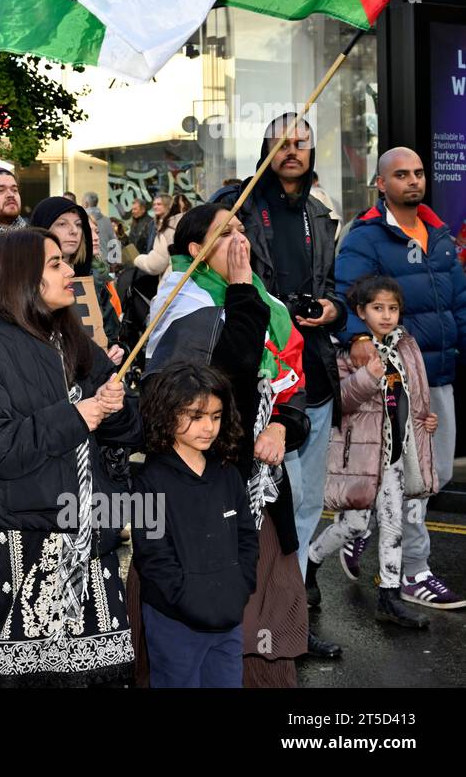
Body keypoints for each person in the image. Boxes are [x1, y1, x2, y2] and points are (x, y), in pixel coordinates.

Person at [0, 228, 139, 686]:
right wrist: (77, 416)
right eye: (55, 264)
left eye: (66, 261)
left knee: (96, 677)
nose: (70, 271)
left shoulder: (74, 341)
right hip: (21, 545)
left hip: (87, 540)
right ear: (20, 277)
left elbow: (130, 430)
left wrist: (116, 407)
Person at [140, 205, 310, 686]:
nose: (240, 240)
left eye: (242, 230)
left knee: (262, 630)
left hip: (257, 496)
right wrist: (239, 290)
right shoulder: (184, 306)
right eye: (225, 233)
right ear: (196, 252)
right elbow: (227, 382)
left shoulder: (265, 304)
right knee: (188, 655)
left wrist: (280, 426)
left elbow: (293, 392)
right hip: (199, 502)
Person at [217, 116, 346, 642]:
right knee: (261, 508)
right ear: (265, 148)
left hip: (313, 372)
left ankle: (290, 617)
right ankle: (248, 619)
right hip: (262, 379)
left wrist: (333, 310)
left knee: (308, 503)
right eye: (281, 142)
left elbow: (334, 285)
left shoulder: (321, 212)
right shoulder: (240, 207)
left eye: (302, 142)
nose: (292, 150)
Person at [334, 147, 466, 610]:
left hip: (439, 374)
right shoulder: (365, 237)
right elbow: (347, 295)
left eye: (418, 173)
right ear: (381, 184)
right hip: (397, 379)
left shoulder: (439, 234)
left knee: (437, 473)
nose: (413, 181)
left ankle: (362, 525)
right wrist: (357, 340)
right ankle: (414, 571)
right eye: (401, 175)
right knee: (413, 476)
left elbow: (459, 304)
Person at [306, 276, 437, 629]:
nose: (386, 316)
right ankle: (310, 563)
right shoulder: (349, 351)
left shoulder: (406, 346)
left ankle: (389, 598)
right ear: (361, 312)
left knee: (393, 523)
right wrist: (368, 374)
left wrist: (426, 419)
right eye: (378, 308)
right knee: (354, 524)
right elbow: (343, 401)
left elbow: (415, 392)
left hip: (395, 453)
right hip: (362, 457)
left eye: (393, 309)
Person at [132, 363, 257, 688]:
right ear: (167, 414)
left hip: (227, 617)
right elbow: (153, 554)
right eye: (196, 416)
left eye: (216, 417)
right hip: (174, 622)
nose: (208, 427)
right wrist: (184, 597)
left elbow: (246, 535)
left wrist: (241, 585)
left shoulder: (228, 473)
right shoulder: (149, 481)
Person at [31, 197, 124, 363]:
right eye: (62, 224)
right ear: (42, 229)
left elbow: (110, 333)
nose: (74, 231)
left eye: (79, 224)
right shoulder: (26, 281)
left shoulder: (94, 278)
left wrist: (114, 349)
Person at [133, 193, 179, 277]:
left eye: (159, 204)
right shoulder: (151, 224)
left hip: (169, 271)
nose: (155, 207)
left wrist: (139, 259)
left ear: (167, 205)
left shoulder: (173, 223)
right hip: (153, 270)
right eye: (154, 204)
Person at [83, 191, 118, 267]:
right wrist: (114, 263)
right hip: (105, 263)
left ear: (86, 203)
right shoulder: (106, 220)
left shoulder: (81, 220)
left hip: (85, 262)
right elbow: (114, 242)